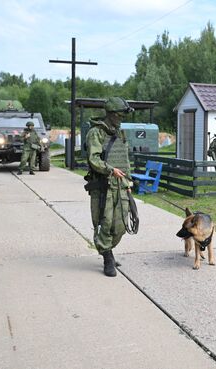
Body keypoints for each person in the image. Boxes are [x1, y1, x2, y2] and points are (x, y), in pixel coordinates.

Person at [84, 97, 134, 277]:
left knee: (120, 225)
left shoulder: (120, 133)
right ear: (111, 114)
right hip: (103, 186)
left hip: (120, 185)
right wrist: (111, 170)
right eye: (119, 115)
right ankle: (107, 257)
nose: (121, 118)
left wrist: (128, 181)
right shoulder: (96, 133)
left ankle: (108, 250)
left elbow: (125, 160)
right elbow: (93, 159)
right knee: (104, 223)